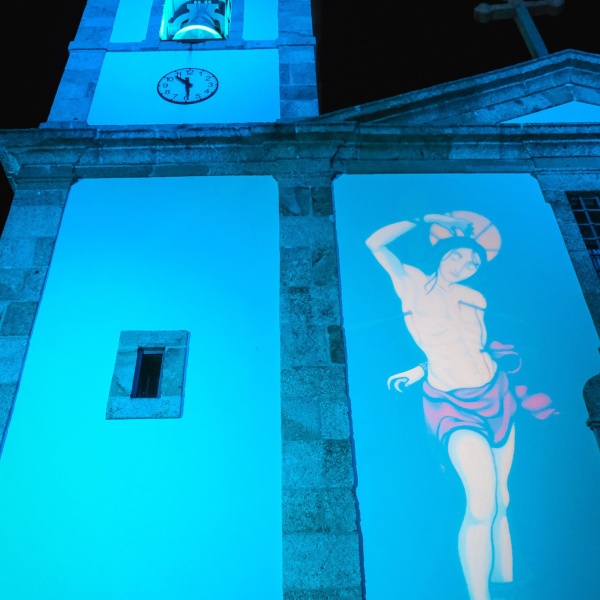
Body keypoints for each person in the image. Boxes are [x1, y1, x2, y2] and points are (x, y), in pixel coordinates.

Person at [366, 212, 554, 600]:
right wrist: (427, 218)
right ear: (442, 254)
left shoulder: (475, 298)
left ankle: (506, 580)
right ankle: (478, 595)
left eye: (472, 264)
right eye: (457, 256)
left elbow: (471, 347)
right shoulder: (411, 283)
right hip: (452, 404)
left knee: (502, 498)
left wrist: (419, 368)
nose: (463, 266)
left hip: (495, 392)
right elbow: (375, 243)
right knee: (481, 505)